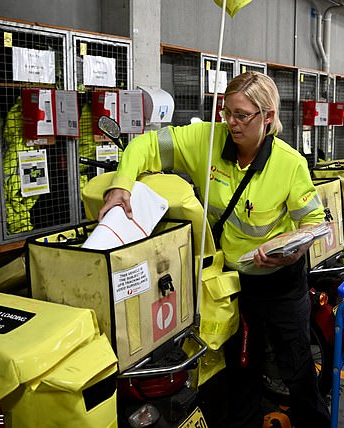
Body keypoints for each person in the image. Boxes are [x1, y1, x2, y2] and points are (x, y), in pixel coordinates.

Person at [98, 71, 330, 428]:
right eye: (226, 112)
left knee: (296, 368)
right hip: (231, 284)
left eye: (241, 115)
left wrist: (294, 250)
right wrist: (122, 185)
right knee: (240, 367)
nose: (231, 123)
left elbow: (314, 220)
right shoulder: (206, 140)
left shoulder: (289, 164)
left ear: (267, 117)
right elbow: (145, 146)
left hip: (280, 283)